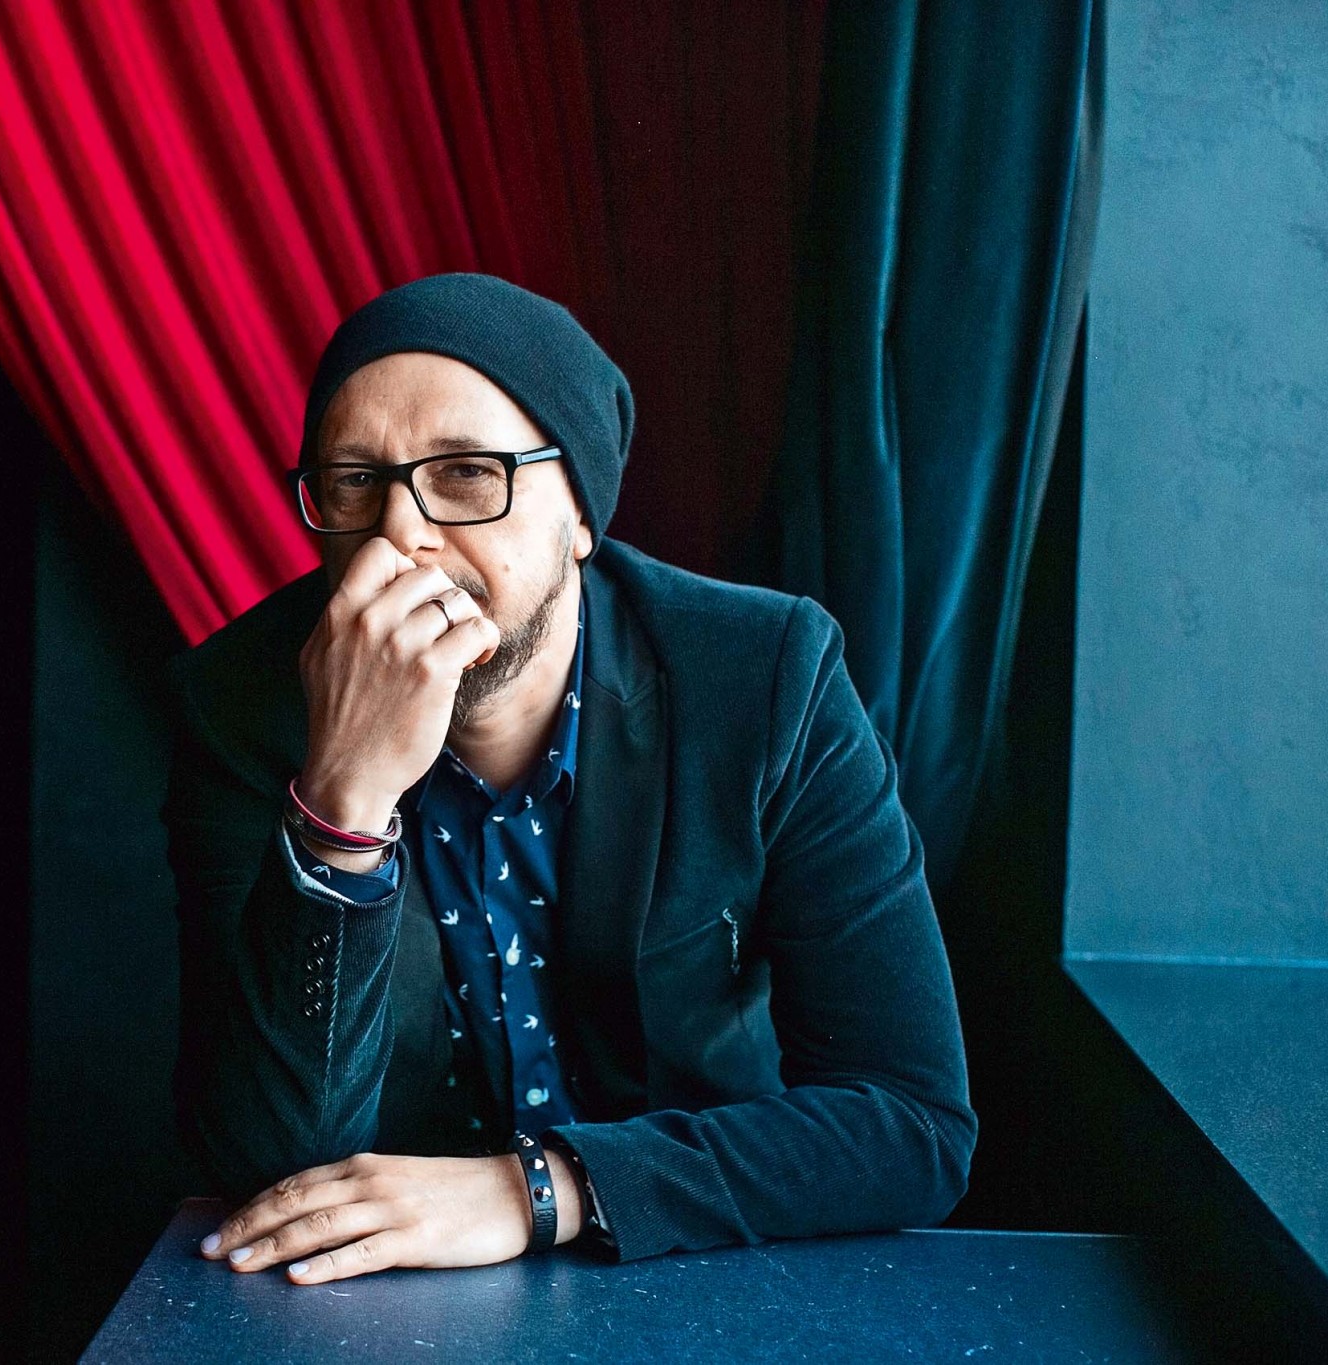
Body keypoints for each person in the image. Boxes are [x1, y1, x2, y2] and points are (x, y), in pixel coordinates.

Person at [164, 273, 974, 1286]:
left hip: (703, 1276)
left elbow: (910, 1121)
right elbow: (268, 1164)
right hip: (387, 1306)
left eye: (466, 473)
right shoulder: (240, 706)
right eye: (353, 481)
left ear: (580, 513)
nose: (399, 534)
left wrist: (540, 1189)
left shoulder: (763, 676)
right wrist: (343, 806)